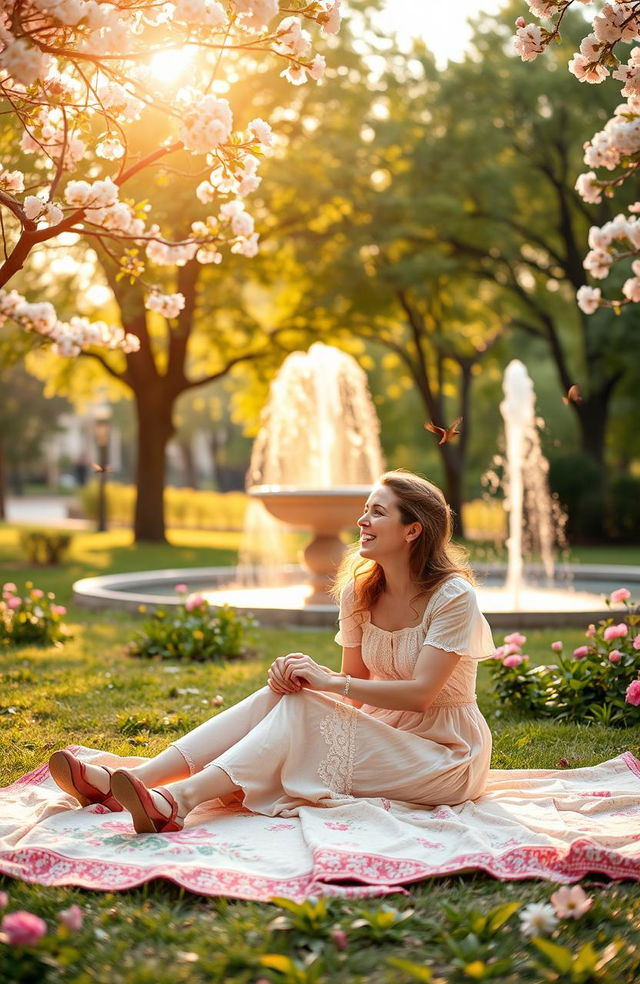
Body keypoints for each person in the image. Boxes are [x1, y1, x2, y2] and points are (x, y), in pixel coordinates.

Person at [49, 469, 496, 834]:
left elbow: (420, 694)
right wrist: (303, 679)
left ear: (412, 529)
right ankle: (138, 783)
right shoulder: (358, 592)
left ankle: (179, 800)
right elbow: (354, 696)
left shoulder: (453, 596)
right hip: (385, 731)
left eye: (377, 513)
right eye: (364, 510)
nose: (361, 521)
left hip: (444, 752)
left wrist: (327, 682)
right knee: (285, 698)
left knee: (304, 707)